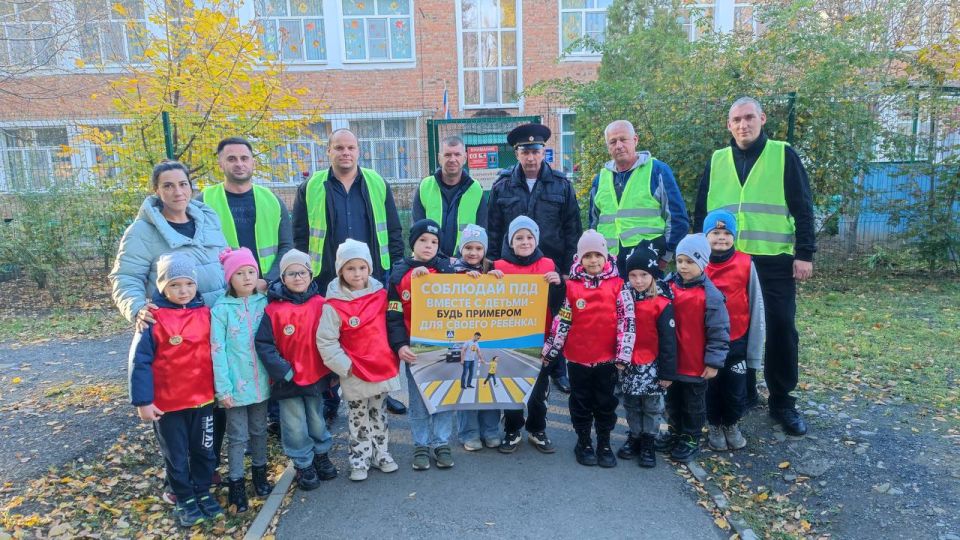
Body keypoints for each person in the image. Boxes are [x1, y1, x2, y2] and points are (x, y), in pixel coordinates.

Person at [694, 97, 816, 436]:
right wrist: (697, 255)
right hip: (725, 263)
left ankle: (782, 400)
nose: (743, 125)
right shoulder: (717, 160)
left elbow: (803, 207)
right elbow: (700, 213)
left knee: (780, 329)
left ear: (762, 119)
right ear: (728, 125)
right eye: (736, 120)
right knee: (729, 330)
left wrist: (804, 253)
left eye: (749, 118)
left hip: (772, 261)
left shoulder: (782, 155)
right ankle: (741, 394)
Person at [110, 160, 227, 505]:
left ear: (191, 186)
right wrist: (137, 310)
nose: (177, 191)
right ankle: (176, 481)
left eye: (183, 184)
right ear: (156, 191)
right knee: (175, 414)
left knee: (213, 406)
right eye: (168, 186)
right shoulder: (142, 232)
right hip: (174, 330)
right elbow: (124, 277)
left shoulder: (207, 218)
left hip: (212, 325)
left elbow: (224, 260)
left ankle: (205, 470)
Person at [292, 128, 407, 416]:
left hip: (372, 277)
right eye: (339, 148)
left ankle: (382, 389)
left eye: (351, 148)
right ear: (328, 152)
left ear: (359, 151)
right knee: (333, 336)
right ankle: (331, 397)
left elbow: (393, 229)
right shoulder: (311, 186)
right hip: (326, 276)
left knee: (376, 336)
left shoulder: (377, 183)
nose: (345, 153)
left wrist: (395, 269)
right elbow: (300, 235)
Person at [128, 253, 222, 528]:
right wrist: (143, 401)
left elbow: (219, 350)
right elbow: (140, 361)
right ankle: (184, 498)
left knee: (205, 451)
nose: (183, 291)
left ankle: (203, 491)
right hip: (168, 406)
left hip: (203, 400)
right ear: (161, 287)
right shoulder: (152, 319)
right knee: (176, 455)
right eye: (175, 285)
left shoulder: (206, 313)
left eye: (188, 284)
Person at [487, 123, 581, 395]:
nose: (530, 157)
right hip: (513, 269)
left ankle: (557, 369)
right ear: (516, 154)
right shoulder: (502, 186)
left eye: (536, 151)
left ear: (544, 153)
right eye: (525, 151)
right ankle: (515, 363)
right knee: (516, 319)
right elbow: (493, 228)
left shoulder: (561, 185)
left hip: (550, 270)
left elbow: (572, 229)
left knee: (556, 318)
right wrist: (491, 265)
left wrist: (566, 270)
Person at [542, 230, 635, 468]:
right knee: (581, 401)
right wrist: (551, 351)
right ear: (579, 259)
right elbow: (562, 321)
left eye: (597, 255)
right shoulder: (571, 287)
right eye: (588, 255)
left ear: (606, 257)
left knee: (605, 402)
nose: (593, 260)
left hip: (607, 360)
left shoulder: (619, 285)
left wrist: (624, 354)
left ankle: (604, 442)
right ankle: (583, 441)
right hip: (578, 358)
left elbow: (627, 321)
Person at [317, 240, 402, 482]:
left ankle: (381, 454)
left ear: (370, 269)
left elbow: (392, 324)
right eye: (350, 268)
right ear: (340, 271)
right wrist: (346, 367)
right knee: (357, 418)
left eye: (362, 268)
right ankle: (359, 458)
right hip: (354, 371)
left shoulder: (380, 296)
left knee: (379, 414)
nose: (357, 273)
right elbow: (326, 341)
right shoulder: (333, 305)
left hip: (380, 366)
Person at [255, 250, 338, 491]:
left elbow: (334, 338)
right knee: (293, 423)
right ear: (282, 278)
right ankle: (303, 463)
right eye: (291, 273)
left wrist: (333, 372)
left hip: (316, 375)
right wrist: (283, 371)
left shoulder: (322, 305)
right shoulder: (273, 310)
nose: (297, 277)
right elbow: (264, 344)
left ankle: (321, 454)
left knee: (316, 418)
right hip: (288, 380)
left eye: (302, 272)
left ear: (311, 275)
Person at [387, 219, 456, 470]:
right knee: (418, 400)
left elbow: (465, 302)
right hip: (416, 350)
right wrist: (399, 345)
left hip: (445, 348)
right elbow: (393, 314)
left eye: (434, 242)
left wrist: (473, 279)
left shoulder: (448, 270)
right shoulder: (398, 274)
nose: (429, 246)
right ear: (413, 243)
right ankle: (421, 444)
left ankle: (441, 442)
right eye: (423, 241)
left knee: (443, 397)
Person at [493, 216, 564, 454]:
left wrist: (557, 285)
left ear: (537, 239)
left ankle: (537, 429)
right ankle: (512, 429)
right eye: (519, 238)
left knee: (538, 391)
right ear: (510, 242)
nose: (525, 242)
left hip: (540, 338)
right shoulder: (499, 267)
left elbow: (558, 305)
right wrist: (490, 282)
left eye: (529, 237)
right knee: (512, 388)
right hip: (510, 340)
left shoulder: (548, 264)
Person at [211, 247, 273, 514]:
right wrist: (222, 387)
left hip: (262, 382)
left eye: (251, 272)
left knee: (260, 430)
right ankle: (236, 482)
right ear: (229, 278)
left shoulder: (265, 302)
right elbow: (218, 350)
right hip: (235, 387)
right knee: (237, 436)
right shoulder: (221, 310)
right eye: (240, 273)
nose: (247, 278)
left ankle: (260, 474)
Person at [588, 120, 690, 275]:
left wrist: (665, 258)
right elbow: (593, 223)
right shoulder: (600, 178)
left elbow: (677, 218)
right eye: (613, 142)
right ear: (608, 147)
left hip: (647, 262)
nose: (619, 145)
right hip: (609, 265)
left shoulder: (656, 171)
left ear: (635, 140)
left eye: (623, 139)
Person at [703, 210, 765, 451]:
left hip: (737, 338)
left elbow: (756, 302)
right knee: (712, 386)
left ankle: (731, 423)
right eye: (715, 232)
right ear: (706, 235)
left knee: (735, 387)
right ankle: (714, 425)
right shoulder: (697, 263)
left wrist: (755, 346)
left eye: (727, 233)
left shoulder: (745, 262)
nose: (721, 238)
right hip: (706, 341)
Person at [664, 234, 729, 463]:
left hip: (695, 365)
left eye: (689, 262)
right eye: (680, 261)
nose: (683, 266)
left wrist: (713, 362)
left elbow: (719, 332)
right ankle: (675, 432)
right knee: (672, 401)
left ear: (702, 263)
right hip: (672, 362)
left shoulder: (710, 296)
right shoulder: (668, 286)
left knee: (693, 405)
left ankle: (690, 438)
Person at [199, 137, 293, 284]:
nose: (239, 164)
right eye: (231, 159)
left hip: (267, 288)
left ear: (253, 163)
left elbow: (286, 245)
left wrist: (269, 280)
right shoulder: (204, 201)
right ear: (220, 165)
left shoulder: (272, 200)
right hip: (223, 288)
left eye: (244, 158)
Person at [617, 242, 677, 469]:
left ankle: (649, 441)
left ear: (653, 275)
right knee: (631, 403)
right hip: (629, 364)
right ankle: (635, 436)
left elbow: (669, 341)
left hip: (652, 365)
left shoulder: (662, 304)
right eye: (633, 275)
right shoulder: (624, 299)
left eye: (644, 274)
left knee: (652, 405)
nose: (638, 280)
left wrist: (667, 372)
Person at [451, 224, 503, 451]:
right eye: (468, 247)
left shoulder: (492, 268)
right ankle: (468, 433)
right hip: (463, 333)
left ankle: (490, 431)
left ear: (485, 250)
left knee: (489, 388)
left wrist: (497, 279)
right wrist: (462, 278)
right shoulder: (451, 269)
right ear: (461, 249)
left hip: (489, 334)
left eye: (478, 248)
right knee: (467, 389)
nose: (473, 253)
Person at [412, 135, 488, 257]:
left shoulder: (476, 189)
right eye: (447, 155)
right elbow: (417, 231)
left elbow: (482, 232)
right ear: (439, 158)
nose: (452, 159)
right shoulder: (425, 187)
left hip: (464, 264)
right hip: (430, 263)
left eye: (457, 154)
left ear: (465, 157)